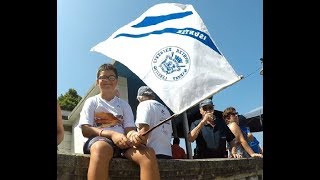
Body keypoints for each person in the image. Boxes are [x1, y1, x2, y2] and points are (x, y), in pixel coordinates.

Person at [78, 64, 160, 180]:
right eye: (103, 77)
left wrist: (134, 136)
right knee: (101, 148)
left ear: (116, 82)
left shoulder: (124, 105)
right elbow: (85, 130)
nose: (107, 80)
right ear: (97, 82)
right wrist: (112, 134)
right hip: (100, 140)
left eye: (111, 77)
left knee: (148, 153)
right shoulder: (92, 102)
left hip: (123, 143)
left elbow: (129, 129)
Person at [135, 86, 173, 159]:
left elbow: (143, 132)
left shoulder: (144, 105)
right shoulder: (165, 108)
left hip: (151, 154)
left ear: (140, 97)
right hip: (168, 154)